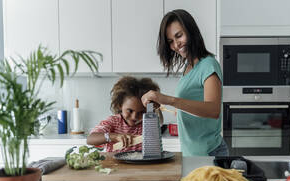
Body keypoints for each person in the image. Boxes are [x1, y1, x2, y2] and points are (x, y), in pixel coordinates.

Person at [141, 9, 229, 157]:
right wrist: (164, 104)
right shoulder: (188, 68)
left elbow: (213, 110)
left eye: (179, 36)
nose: (176, 45)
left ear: (191, 31)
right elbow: (193, 105)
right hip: (193, 154)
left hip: (209, 153)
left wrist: (169, 100)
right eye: (170, 41)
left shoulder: (208, 64)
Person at [87, 76, 162, 152]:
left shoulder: (147, 123)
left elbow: (160, 121)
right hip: (115, 163)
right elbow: (90, 139)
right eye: (130, 110)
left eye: (141, 112)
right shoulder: (113, 121)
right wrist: (114, 136)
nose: (134, 117)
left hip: (140, 163)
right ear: (120, 105)